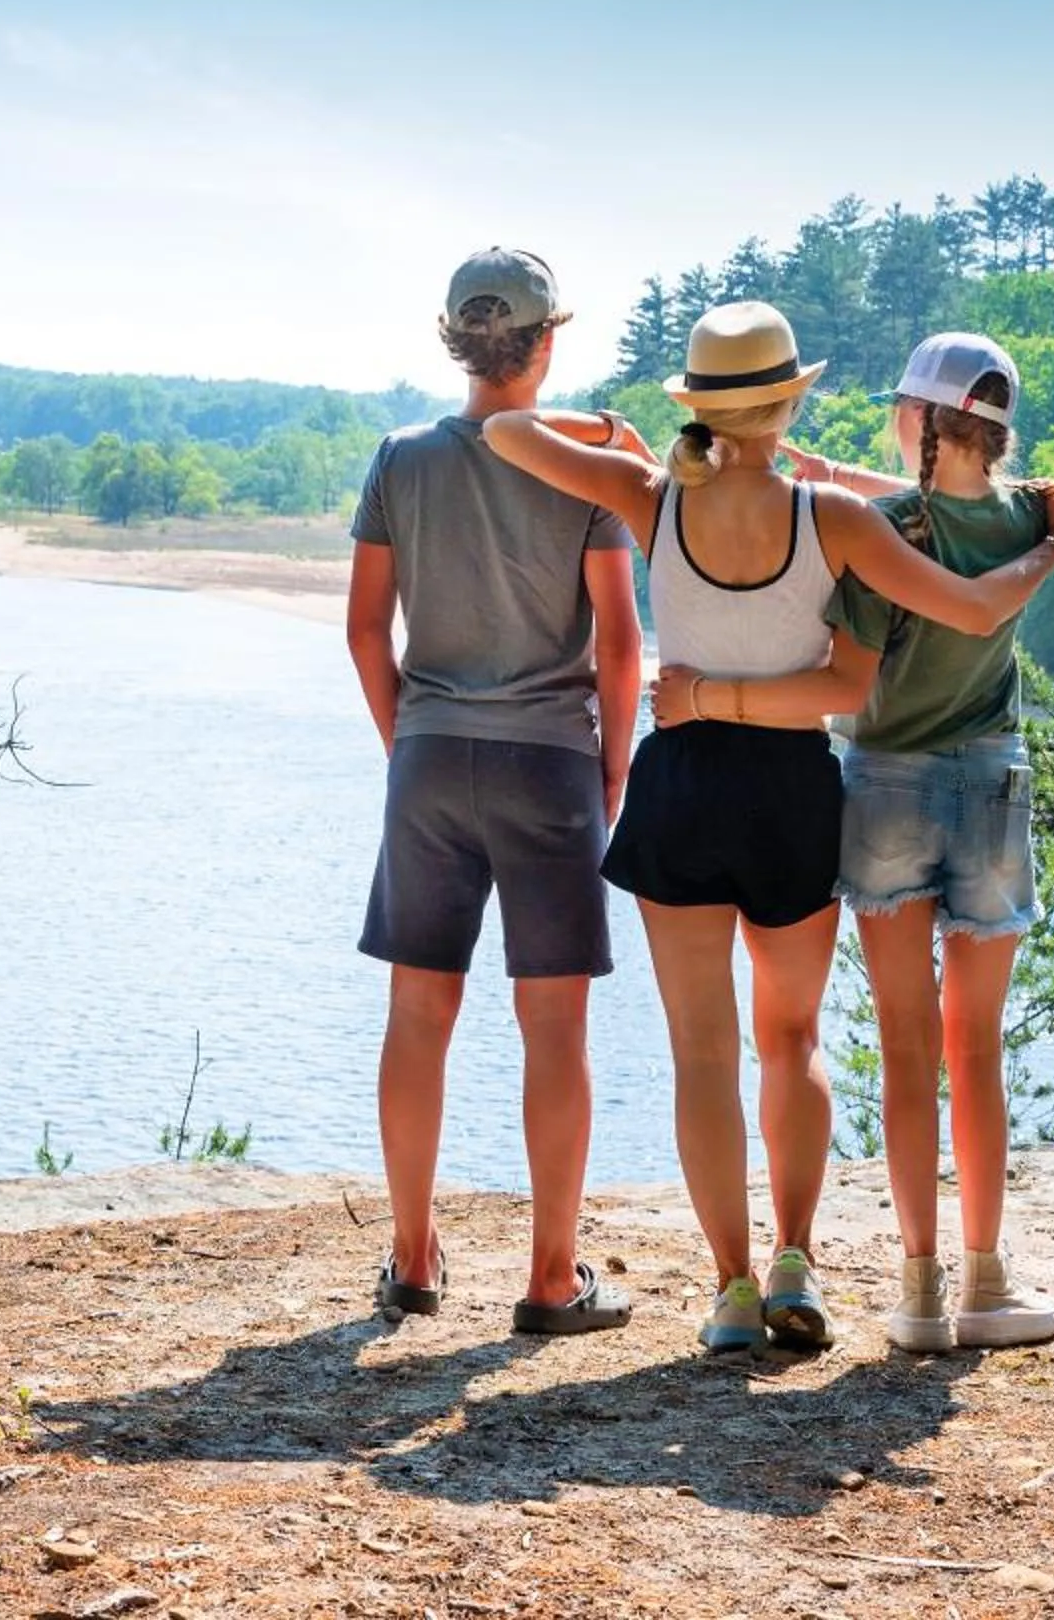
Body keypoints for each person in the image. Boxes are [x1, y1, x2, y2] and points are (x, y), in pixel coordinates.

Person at [481, 304, 1054, 1353]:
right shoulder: (834, 517)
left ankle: (734, 1288)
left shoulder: (650, 497)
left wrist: (623, 434)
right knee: (790, 1036)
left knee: (701, 1053)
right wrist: (1049, 538)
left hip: (682, 787)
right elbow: (962, 606)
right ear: (792, 397)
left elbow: (505, 433)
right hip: (794, 788)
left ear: (703, 404)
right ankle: (799, 1255)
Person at [656, 333, 1054, 1353]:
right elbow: (969, 523)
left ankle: (919, 1290)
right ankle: (986, 1278)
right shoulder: (1030, 519)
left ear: (921, 421)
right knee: (978, 1048)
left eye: (901, 410)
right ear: (995, 429)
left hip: (883, 786)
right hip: (990, 785)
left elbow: (887, 553)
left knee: (904, 1042)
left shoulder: (878, 529)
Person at [346, 247, 645, 1337]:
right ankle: (551, 1278)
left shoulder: (400, 456)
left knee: (417, 1012)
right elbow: (620, 642)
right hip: (549, 762)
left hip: (430, 755)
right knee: (554, 1023)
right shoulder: (585, 466)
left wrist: (407, 741)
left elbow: (364, 627)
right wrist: (610, 767)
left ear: (456, 339)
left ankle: (415, 1258)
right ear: (547, 341)